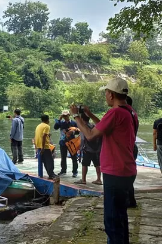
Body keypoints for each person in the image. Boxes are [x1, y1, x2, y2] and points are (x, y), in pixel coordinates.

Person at [69, 77, 138, 244]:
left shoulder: (114, 113)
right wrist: (89, 114)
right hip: (126, 170)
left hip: (115, 172)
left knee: (112, 220)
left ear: (111, 95)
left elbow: (91, 135)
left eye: (106, 92)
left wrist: (77, 116)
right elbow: (104, 127)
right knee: (120, 216)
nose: (105, 95)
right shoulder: (129, 112)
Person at [74, 112, 102, 185]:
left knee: (85, 164)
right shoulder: (93, 126)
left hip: (87, 149)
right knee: (97, 164)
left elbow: (83, 139)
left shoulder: (84, 127)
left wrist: (80, 149)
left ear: (82, 119)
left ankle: (83, 179)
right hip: (96, 149)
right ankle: (99, 179)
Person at [54, 110, 79, 177]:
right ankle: (63, 170)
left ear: (69, 115)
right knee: (63, 157)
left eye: (66, 115)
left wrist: (73, 131)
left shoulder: (74, 123)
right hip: (63, 142)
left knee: (74, 157)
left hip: (72, 142)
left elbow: (78, 131)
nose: (65, 117)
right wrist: (59, 119)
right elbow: (55, 127)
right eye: (64, 116)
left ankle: (75, 171)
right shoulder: (61, 123)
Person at [34, 114, 57, 179]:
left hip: (38, 145)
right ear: (48, 120)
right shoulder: (47, 126)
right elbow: (44, 136)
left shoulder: (38, 126)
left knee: (45, 161)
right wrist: (43, 147)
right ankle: (51, 174)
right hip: (45, 146)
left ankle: (50, 174)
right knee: (50, 161)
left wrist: (36, 147)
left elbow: (37, 135)